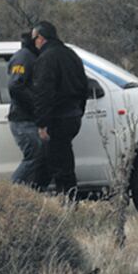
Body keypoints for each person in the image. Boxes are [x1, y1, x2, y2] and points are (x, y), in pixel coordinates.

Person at [32, 21, 89, 199]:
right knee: (61, 157)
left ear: (41, 38)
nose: (34, 43)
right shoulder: (71, 54)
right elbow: (83, 86)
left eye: (34, 39)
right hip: (73, 116)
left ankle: (68, 199)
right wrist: (80, 110)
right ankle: (63, 197)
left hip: (58, 118)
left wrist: (42, 123)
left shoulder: (47, 58)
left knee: (60, 164)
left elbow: (44, 93)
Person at [7, 31, 50, 188]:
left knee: (43, 159)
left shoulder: (33, 56)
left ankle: (35, 195)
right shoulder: (24, 57)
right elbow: (15, 86)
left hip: (30, 118)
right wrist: (37, 104)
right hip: (23, 120)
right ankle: (13, 193)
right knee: (35, 156)